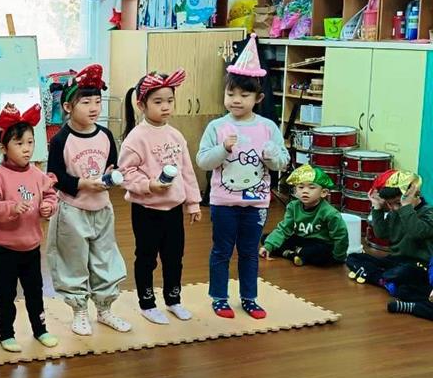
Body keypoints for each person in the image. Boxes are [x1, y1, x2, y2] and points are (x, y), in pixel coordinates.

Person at [197, 35, 288, 319]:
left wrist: (271, 156)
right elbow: (203, 161)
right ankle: (219, 297)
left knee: (249, 252)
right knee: (221, 251)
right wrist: (223, 149)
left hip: (257, 203)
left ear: (258, 98)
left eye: (244, 95)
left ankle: (249, 297)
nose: (236, 100)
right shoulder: (217, 127)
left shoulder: (268, 127)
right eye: (231, 93)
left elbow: (282, 163)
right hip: (223, 202)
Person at [46, 64, 130, 335]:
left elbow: (112, 165)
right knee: (73, 261)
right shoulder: (61, 139)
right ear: (68, 107)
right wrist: (83, 183)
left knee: (105, 260)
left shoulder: (105, 135)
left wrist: (112, 176)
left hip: (102, 209)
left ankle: (104, 309)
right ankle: (79, 310)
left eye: (97, 101)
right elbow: (55, 176)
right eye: (86, 102)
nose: (94, 108)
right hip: (72, 211)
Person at [119, 69, 202, 325]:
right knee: (146, 258)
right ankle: (147, 303)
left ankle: (173, 299)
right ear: (141, 104)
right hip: (147, 210)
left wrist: (193, 203)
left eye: (169, 100)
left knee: (174, 258)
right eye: (158, 101)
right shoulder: (136, 138)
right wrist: (149, 185)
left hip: (173, 210)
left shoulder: (175, 135)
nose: (165, 107)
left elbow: (186, 170)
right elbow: (125, 173)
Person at [0, 103, 59, 353]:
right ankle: (6, 333)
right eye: (19, 143)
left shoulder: (37, 174)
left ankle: (40, 329)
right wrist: (11, 208)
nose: (26, 149)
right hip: (5, 249)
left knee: (35, 292)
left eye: (30, 142)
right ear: (4, 148)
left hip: (32, 247)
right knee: (6, 294)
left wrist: (48, 207)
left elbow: (50, 194)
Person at [346, 170, 433, 297]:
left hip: (418, 264)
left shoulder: (428, 213)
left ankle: (376, 276)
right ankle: (384, 280)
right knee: (353, 257)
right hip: (395, 260)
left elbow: (417, 232)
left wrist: (406, 206)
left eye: (398, 203)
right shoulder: (396, 212)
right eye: (390, 204)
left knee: (403, 273)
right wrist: (377, 208)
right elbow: (381, 234)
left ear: (416, 194)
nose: (394, 208)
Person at [260, 165, 348, 267]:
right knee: (266, 238)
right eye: (301, 187)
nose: (305, 191)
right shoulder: (293, 206)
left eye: (311, 187)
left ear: (323, 193)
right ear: (295, 190)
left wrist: (339, 257)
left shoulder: (330, 213)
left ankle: (292, 253)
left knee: (323, 253)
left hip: (319, 243)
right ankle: (296, 255)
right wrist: (268, 246)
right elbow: (284, 229)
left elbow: (340, 236)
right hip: (299, 240)